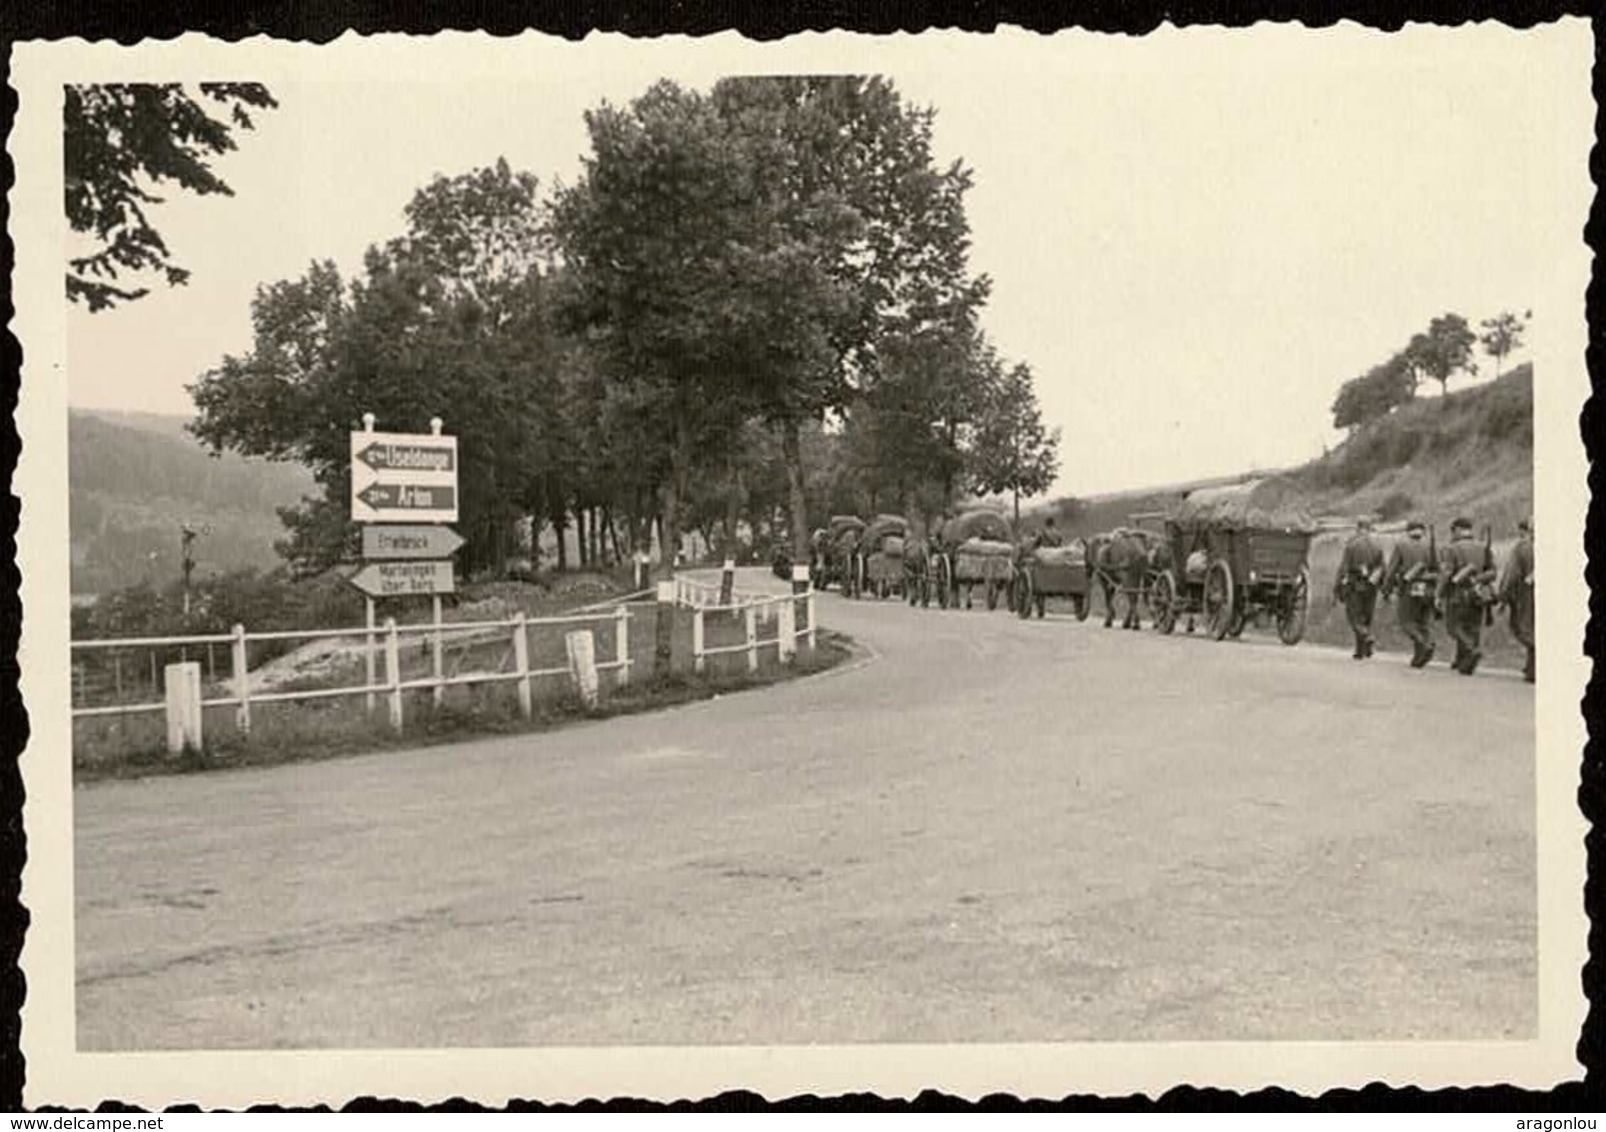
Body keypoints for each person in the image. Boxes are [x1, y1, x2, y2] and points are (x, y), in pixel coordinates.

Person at [1438, 516, 1497, 675]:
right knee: (1473, 627)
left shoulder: (1451, 548)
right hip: (1478, 594)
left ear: (1457, 530)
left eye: (1453, 531)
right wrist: (1478, 579)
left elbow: (1446, 573)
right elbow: (1493, 572)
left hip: (1458, 593)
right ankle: (1463, 661)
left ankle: (1471, 651)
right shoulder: (1483, 547)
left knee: (1454, 626)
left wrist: (1439, 594)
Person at [1382, 519, 1437, 668]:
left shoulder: (1401, 545)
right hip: (1428, 589)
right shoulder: (1430, 546)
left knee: (1407, 621)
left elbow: (1392, 570)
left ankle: (1423, 644)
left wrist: (1386, 590)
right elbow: (1437, 569)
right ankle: (1422, 652)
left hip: (1409, 587)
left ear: (1408, 531)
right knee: (1423, 621)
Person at [1335, 516, 1385, 659]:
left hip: (1355, 583)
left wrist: (1338, 585)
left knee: (1354, 617)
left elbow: (1343, 568)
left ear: (1358, 528)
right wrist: (1381, 585)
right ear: (1369, 528)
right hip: (1372, 585)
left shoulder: (1351, 545)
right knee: (1366, 616)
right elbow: (1383, 567)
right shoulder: (1378, 545)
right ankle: (1361, 650)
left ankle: (1366, 637)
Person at [1499, 518, 1535, 683]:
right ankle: (1531, 668)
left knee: (1523, 628)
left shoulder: (1522, 547)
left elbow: (1512, 574)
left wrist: (1503, 596)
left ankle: (1535, 665)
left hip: (1526, 593)